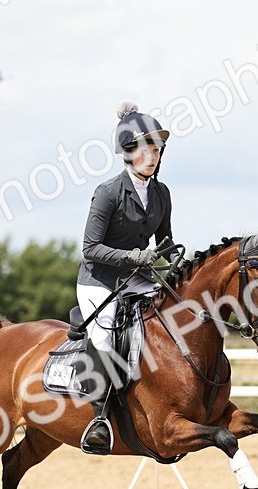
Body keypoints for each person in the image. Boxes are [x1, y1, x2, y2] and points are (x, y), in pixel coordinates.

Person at [75, 100, 174, 455]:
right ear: (128, 153)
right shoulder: (108, 193)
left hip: (137, 277)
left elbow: (164, 242)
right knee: (104, 334)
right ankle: (98, 418)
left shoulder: (161, 194)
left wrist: (177, 262)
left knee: (170, 319)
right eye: (146, 149)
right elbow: (90, 248)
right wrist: (134, 256)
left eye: (157, 149)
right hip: (99, 279)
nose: (153, 155)